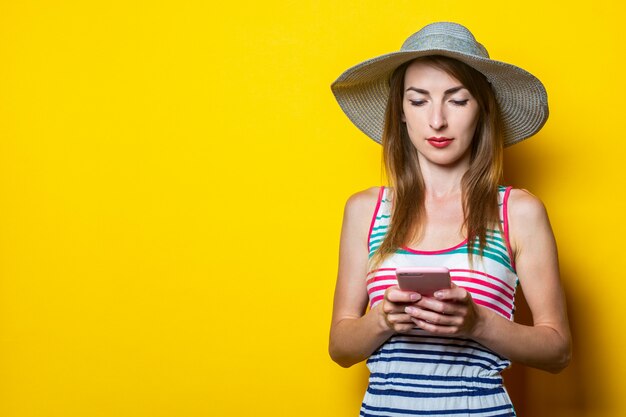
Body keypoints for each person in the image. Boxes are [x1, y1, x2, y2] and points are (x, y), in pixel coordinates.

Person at [328, 22, 571, 416]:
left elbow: (558, 351)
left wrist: (477, 324)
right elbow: (340, 347)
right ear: (401, 112)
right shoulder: (364, 210)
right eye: (418, 100)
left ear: (482, 109)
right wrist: (384, 319)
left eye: (457, 101)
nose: (437, 121)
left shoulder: (519, 212)